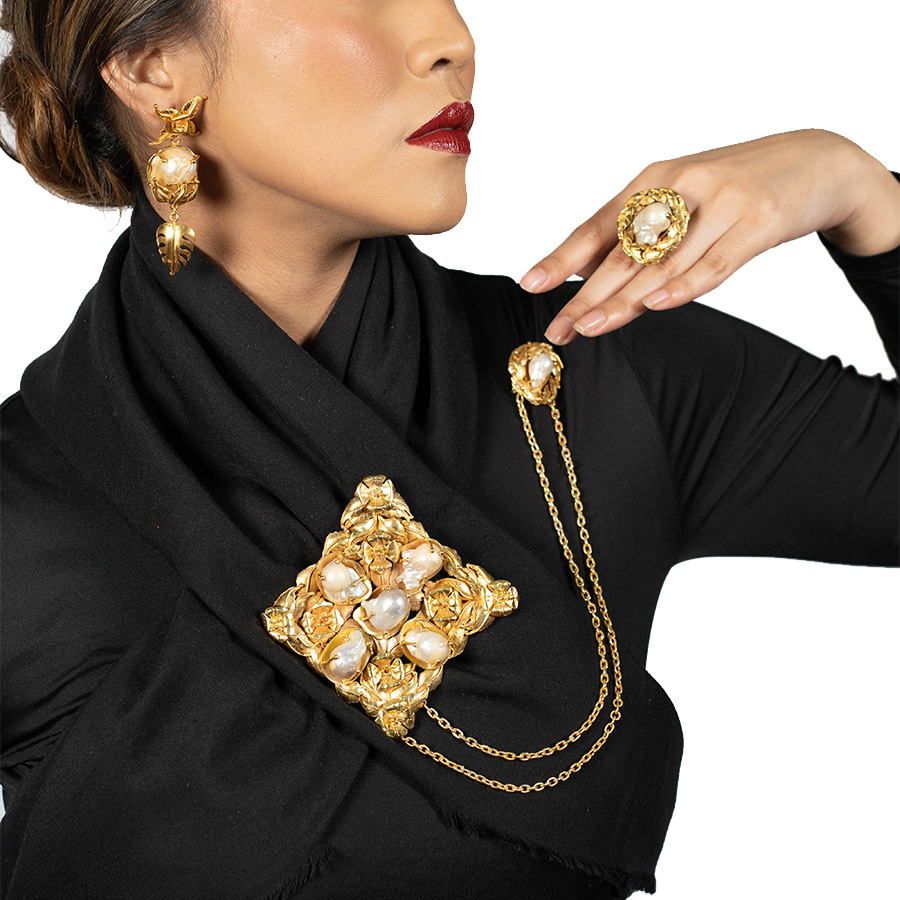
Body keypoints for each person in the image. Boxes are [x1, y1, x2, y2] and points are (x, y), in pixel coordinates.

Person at [1, 1, 897, 898]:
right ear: (151, 65)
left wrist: (861, 194)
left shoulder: (593, 371)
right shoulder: (20, 509)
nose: (451, 40)